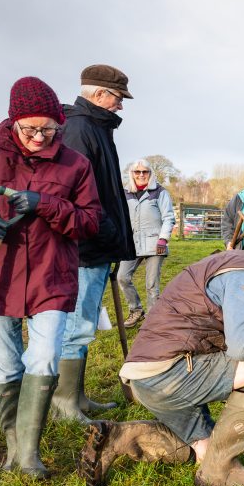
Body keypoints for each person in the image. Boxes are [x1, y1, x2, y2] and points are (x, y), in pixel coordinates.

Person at [0, 77, 102, 479]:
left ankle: (29, 454)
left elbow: (90, 221)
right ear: (13, 121)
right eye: (30, 129)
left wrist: (46, 204)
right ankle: (13, 448)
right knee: (4, 369)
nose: (39, 137)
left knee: (43, 357)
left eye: (49, 129)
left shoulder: (75, 164)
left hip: (50, 278)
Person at [77, 239, 244, 486]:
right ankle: (220, 472)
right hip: (169, 373)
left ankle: (119, 438)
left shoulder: (231, 263)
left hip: (147, 375)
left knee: (207, 452)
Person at [52, 64, 137, 423]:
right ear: (100, 94)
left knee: (84, 325)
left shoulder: (96, 128)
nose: (121, 105)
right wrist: (108, 234)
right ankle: (63, 404)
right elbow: (77, 196)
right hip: (83, 250)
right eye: (118, 98)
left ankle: (78, 396)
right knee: (76, 327)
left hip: (96, 247)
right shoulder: (79, 130)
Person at [117, 159, 176, 327]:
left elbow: (168, 218)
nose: (141, 175)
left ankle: (152, 319)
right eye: (138, 172)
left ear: (150, 173)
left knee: (152, 285)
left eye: (145, 171)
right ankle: (136, 310)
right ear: (132, 174)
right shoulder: (125, 193)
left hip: (155, 245)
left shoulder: (159, 192)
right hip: (132, 244)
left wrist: (163, 239)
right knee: (122, 277)